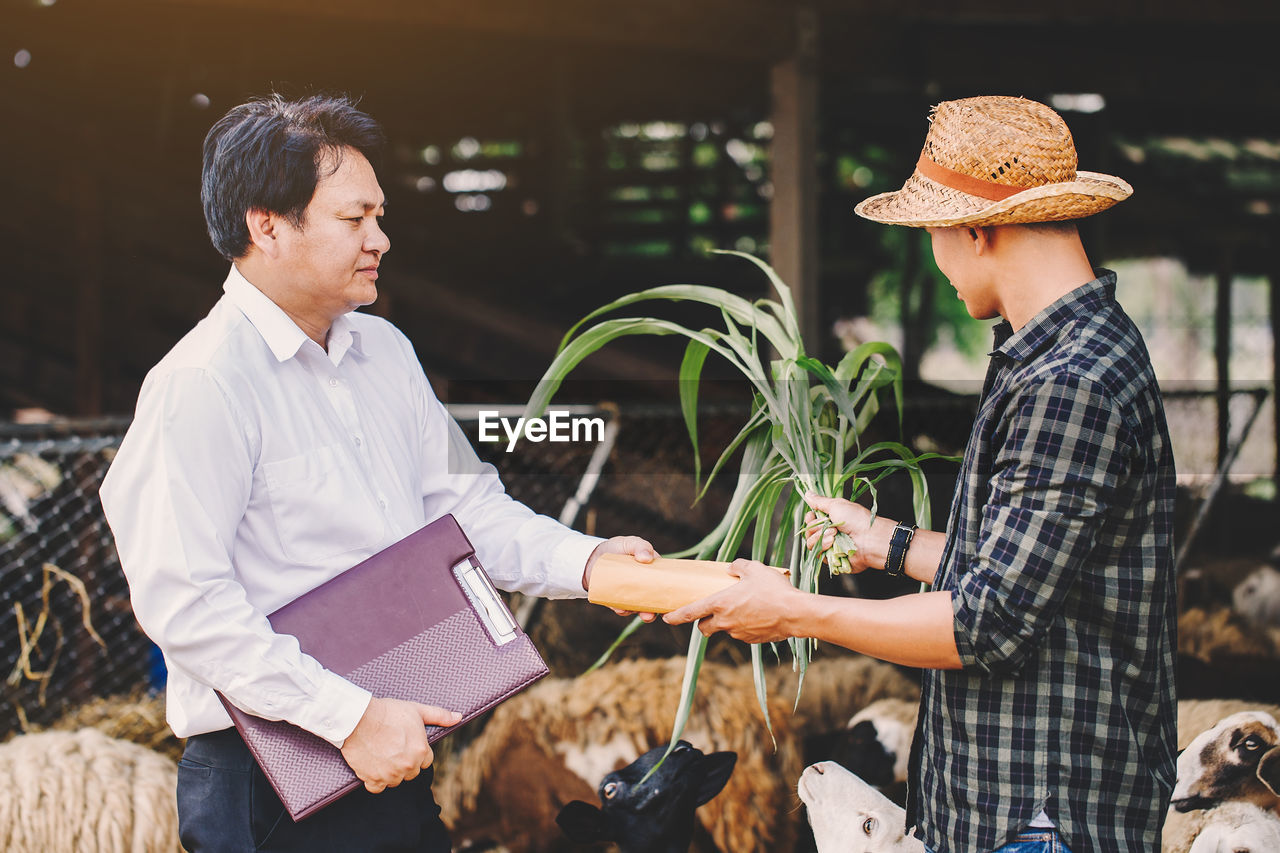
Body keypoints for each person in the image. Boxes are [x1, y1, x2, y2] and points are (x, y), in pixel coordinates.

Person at [99, 93, 655, 852]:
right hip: (271, 778)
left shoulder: (385, 351)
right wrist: (350, 717)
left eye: (379, 216)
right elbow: (184, 601)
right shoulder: (201, 382)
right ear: (267, 225)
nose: (381, 239)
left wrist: (587, 560)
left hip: (392, 752)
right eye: (354, 219)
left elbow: (465, 513)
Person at [666, 96, 1177, 853]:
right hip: (1020, 805)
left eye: (932, 233)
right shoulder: (1066, 353)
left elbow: (985, 622)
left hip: (1038, 815)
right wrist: (884, 540)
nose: (934, 261)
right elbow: (1025, 571)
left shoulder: (1067, 382)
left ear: (976, 229)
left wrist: (795, 610)